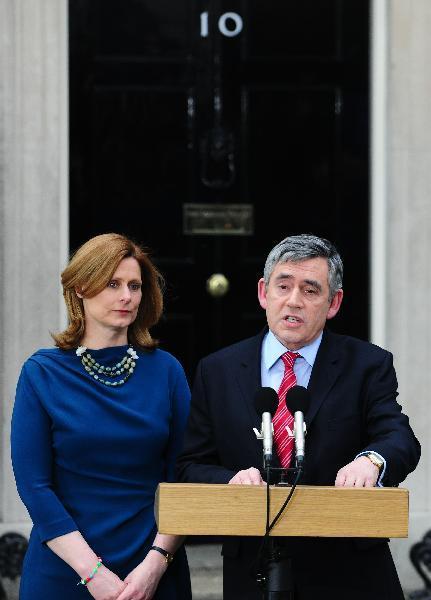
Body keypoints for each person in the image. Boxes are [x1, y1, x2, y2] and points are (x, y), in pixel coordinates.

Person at [177, 233, 421, 600]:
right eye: (283, 286)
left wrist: (371, 461)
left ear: (333, 302)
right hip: (252, 568)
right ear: (263, 293)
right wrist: (230, 480)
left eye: (310, 290)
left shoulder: (368, 364)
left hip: (348, 568)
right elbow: (191, 464)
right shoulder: (218, 370)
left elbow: (399, 438)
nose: (294, 301)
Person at [11, 233, 192, 600]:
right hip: (64, 570)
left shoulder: (167, 371)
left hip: (153, 568)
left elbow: (185, 478)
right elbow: (34, 486)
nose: (127, 296)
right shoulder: (42, 373)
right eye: (113, 284)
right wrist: (92, 573)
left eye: (134, 286)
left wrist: (156, 563)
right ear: (81, 287)